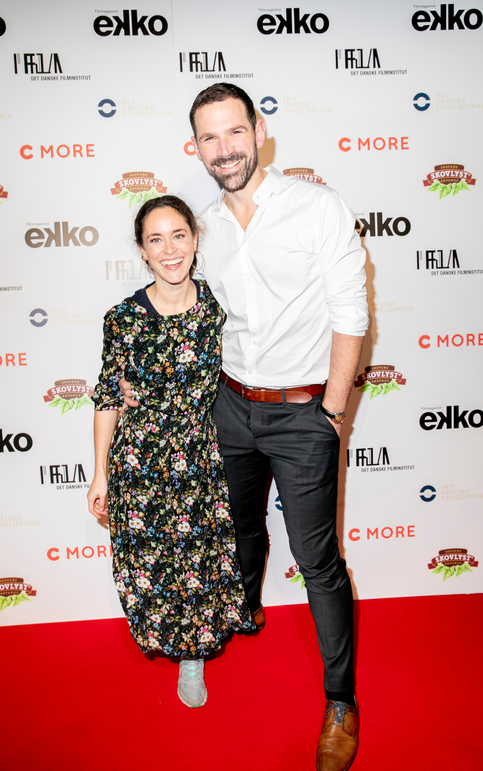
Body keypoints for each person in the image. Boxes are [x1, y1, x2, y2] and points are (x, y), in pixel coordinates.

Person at [122, 84, 368, 770]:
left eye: (234, 132)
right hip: (227, 407)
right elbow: (180, 309)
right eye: (210, 137)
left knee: (318, 561)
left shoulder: (317, 207)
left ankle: (341, 699)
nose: (224, 149)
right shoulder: (201, 228)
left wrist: (332, 412)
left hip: (303, 412)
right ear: (195, 147)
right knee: (237, 527)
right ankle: (243, 608)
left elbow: (351, 311)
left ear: (259, 130)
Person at [87, 194, 255, 710]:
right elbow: (108, 396)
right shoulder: (122, 319)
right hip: (139, 463)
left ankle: (193, 656)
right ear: (142, 250)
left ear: (195, 240)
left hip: (201, 457)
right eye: (155, 240)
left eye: (178, 235)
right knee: (154, 566)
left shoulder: (219, 308)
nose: (169, 249)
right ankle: (178, 646)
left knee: (199, 564)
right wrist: (99, 474)